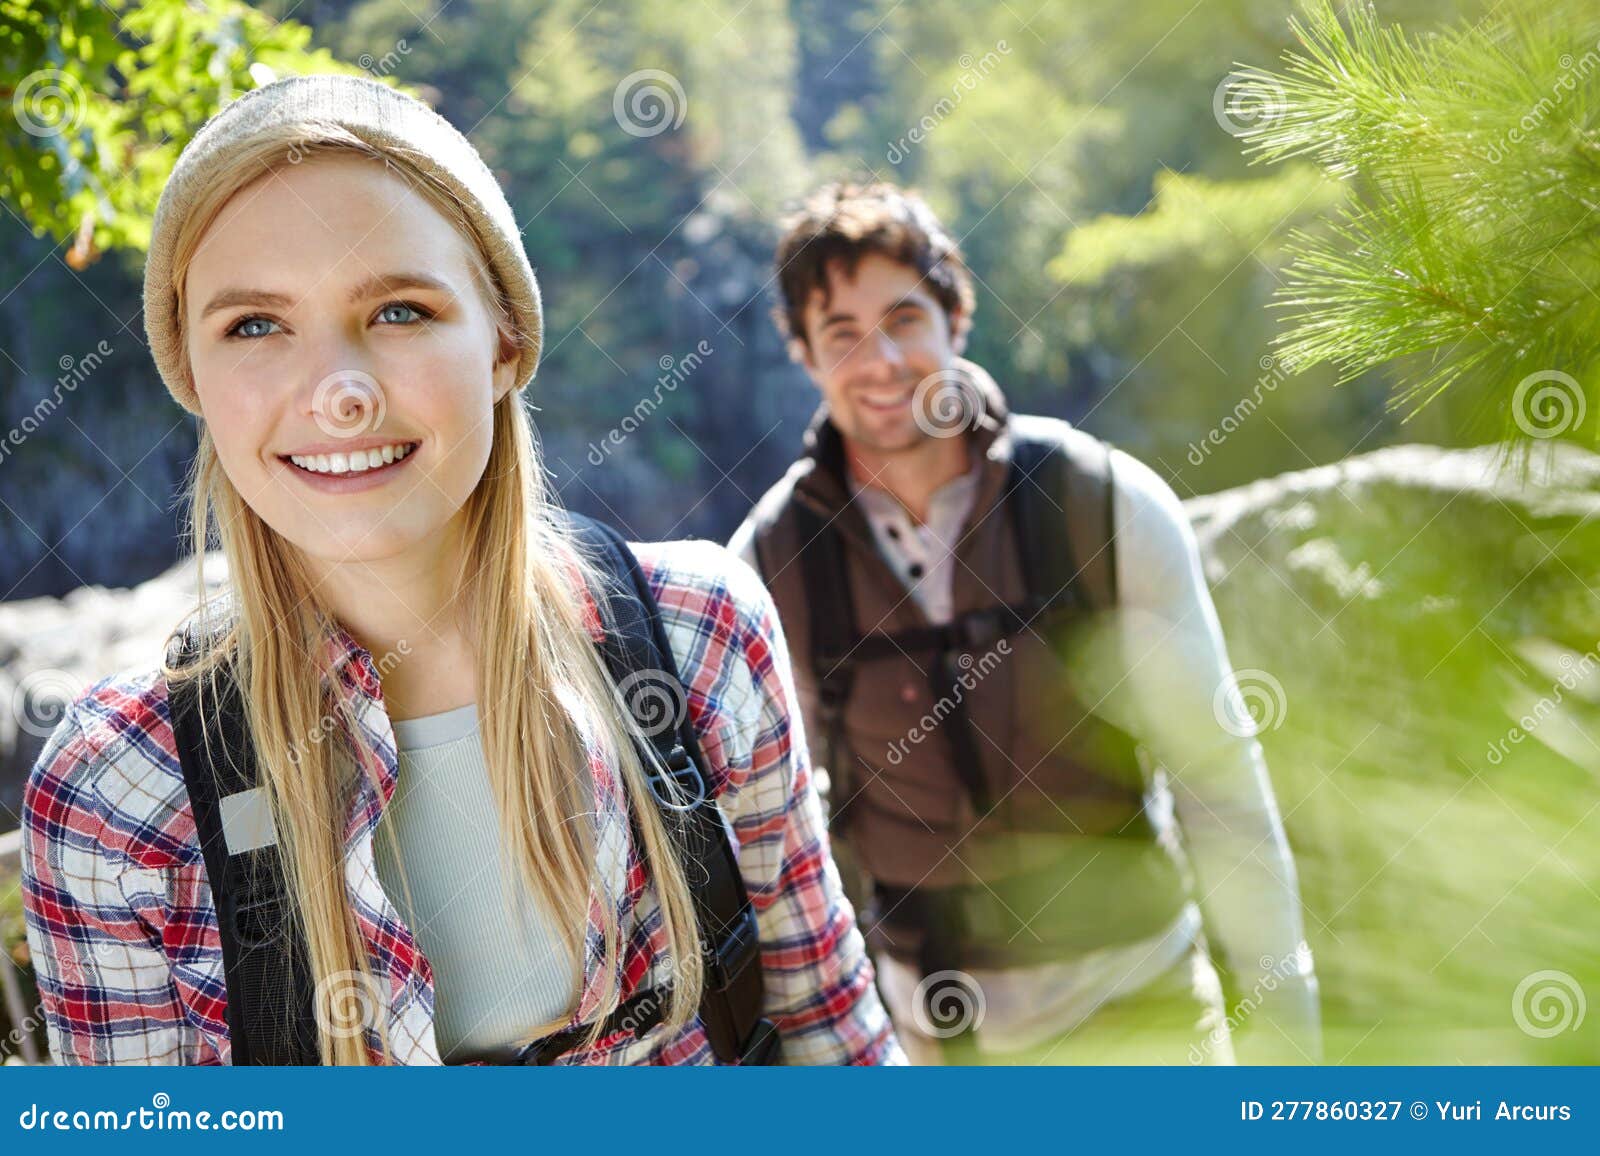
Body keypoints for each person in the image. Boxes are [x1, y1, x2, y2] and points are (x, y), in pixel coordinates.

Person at [19, 76, 901, 1067]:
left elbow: (839, 1042)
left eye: (398, 309)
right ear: (195, 374)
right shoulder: (114, 795)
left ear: (504, 341)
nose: (340, 392)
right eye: (255, 325)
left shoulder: (701, 638)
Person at [729, 180, 1322, 1065]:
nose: (881, 360)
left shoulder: (1098, 503)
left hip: (1149, 1018)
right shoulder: (771, 565)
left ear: (956, 318)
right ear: (804, 356)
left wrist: (1287, 1041)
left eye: (905, 318)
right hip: (932, 1044)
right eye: (841, 334)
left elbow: (1220, 785)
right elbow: (766, 847)